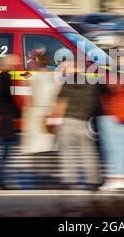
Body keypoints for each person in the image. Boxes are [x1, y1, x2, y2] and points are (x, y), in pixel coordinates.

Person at [50, 60, 100, 190]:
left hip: (67, 121)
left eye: (67, 68)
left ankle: (69, 180)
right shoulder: (91, 83)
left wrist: (54, 118)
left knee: (67, 151)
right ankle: (93, 180)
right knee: (88, 152)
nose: (64, 71)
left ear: (74, 69)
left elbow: (61, 103)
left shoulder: (68, 82)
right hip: (84, 121)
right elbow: (94, 103)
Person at [97, 72, 124, 191]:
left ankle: (114, 180)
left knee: (113, 151)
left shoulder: (107, 76)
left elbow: (104, 94)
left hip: (113, 115)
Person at [21, 51, 62, 154]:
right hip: (50, 111)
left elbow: (23, 77)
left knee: (37, 143)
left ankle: (38, 163)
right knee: (49, 140)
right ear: (48, 62)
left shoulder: (32, 75)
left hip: (37, 110)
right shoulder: (53, 75)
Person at [0, 54, 21, 189]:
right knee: (5, 153)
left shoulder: (2, 78)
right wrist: (18, 113)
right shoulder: (5, 80)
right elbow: (8, 100)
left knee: (5, 153)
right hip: (6, 121)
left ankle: (0, 181)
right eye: (13, 63)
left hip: (5, 120)